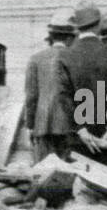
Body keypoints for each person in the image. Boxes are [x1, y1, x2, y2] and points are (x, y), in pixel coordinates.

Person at [56, 3, 107, 162]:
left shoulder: (65, 55)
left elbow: (63, 96)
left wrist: (81, 130)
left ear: (77, 28)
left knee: (80, 182)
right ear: (99, 24)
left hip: (78, 138)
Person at [24, 9, 76, 162]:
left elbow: (31, 96)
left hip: (43, 124)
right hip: (70, 126)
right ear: (69, 37)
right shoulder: (75, 58)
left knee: (44, 172)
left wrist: (30, 125)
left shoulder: (36, 59)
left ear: (51, 37)